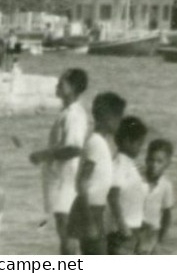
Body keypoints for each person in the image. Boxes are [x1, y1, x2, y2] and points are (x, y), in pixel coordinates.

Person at [29, 68, 90, 255]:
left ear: (73, 88)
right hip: (61, 178)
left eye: (62, 83)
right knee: (63, 229)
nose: (57, 86)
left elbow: (74, 148)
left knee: (66, 231)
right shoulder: (68, 112)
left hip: (66, 180)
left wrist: (44, 155)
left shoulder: (73, 115)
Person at [69, 91, 125, 255]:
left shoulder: (100, 142)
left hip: (95, 210)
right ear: (108, 118)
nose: (120, 123)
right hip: (89, 211)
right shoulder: (95, 143)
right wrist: (89, 221)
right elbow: (81, 182)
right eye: (119, 118)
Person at [106, 116, 148, 255]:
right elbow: (113, 196)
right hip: (122, 232)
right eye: (139, 143)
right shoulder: (120, 164)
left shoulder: (129, 164)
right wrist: (122, 225)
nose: (141, 148)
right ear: (126, 141)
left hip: (132, 228)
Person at [136, 140, 175, 255]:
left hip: (152, 233)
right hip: (135, 229)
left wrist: (160, 239)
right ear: (146, 159)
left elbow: (167, 215)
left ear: (167, 163)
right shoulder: (137, 179)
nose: (154, 165)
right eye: (151, 160)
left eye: (159, 162)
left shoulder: (166, 186)